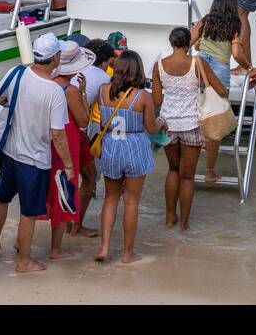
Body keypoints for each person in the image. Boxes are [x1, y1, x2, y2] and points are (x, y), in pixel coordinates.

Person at [0, 34, 75, 273]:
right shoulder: (54, 91)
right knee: (28, 212)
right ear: (55, 58)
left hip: (9, 152)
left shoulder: (16, 72)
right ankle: (24, 261)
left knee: (2, 198)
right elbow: (58, 134)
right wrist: (68, 165)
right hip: (34, 159)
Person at [94, 50, 164, 264]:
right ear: (138, 71)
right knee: (131, 202)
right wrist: (162, 122)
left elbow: (100, 121)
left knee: (110, 198)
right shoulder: (143, 96)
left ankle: (104, 248)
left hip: (111, 147)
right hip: (134, 147)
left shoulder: (102, 91)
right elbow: (151, 129)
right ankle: (127, 253)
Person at [153, 27, 225, 230]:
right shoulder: (197, 63)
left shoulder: (159, 65)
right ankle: (184, 224)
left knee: (173, 170)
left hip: (168, 125)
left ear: (171, 43)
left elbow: (157, 99)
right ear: (189, 43)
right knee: (188, 177)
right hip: (191, 124)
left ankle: (169, 219)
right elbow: (220, 90)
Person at [40, 42, 91, 258]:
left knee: (47, 191)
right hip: (66, 144)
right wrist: (83, 95)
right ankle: (56, 249)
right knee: (64, 191)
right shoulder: (69, 90)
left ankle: (20, 241)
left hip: (47, 142)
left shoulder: (47, 82)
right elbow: (83, 120)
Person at [191, 0, 246, 182]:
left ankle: (188, 170)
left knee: (199, 115)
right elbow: (237, 53)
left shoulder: (205, 21)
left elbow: (188, 42)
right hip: (219, 70)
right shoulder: (234, 25)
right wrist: (250, 67)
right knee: (215, 120)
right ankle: (209, 172)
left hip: (199, 68)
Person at [71, 37, 116, 237]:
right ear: (105, 61)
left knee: (66, 178)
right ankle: (76, 226)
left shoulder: (72, 71)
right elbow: (109, 110)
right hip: (77, 130)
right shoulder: (103, 77)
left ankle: (64, 225)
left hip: (58, 126)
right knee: (89, 179)